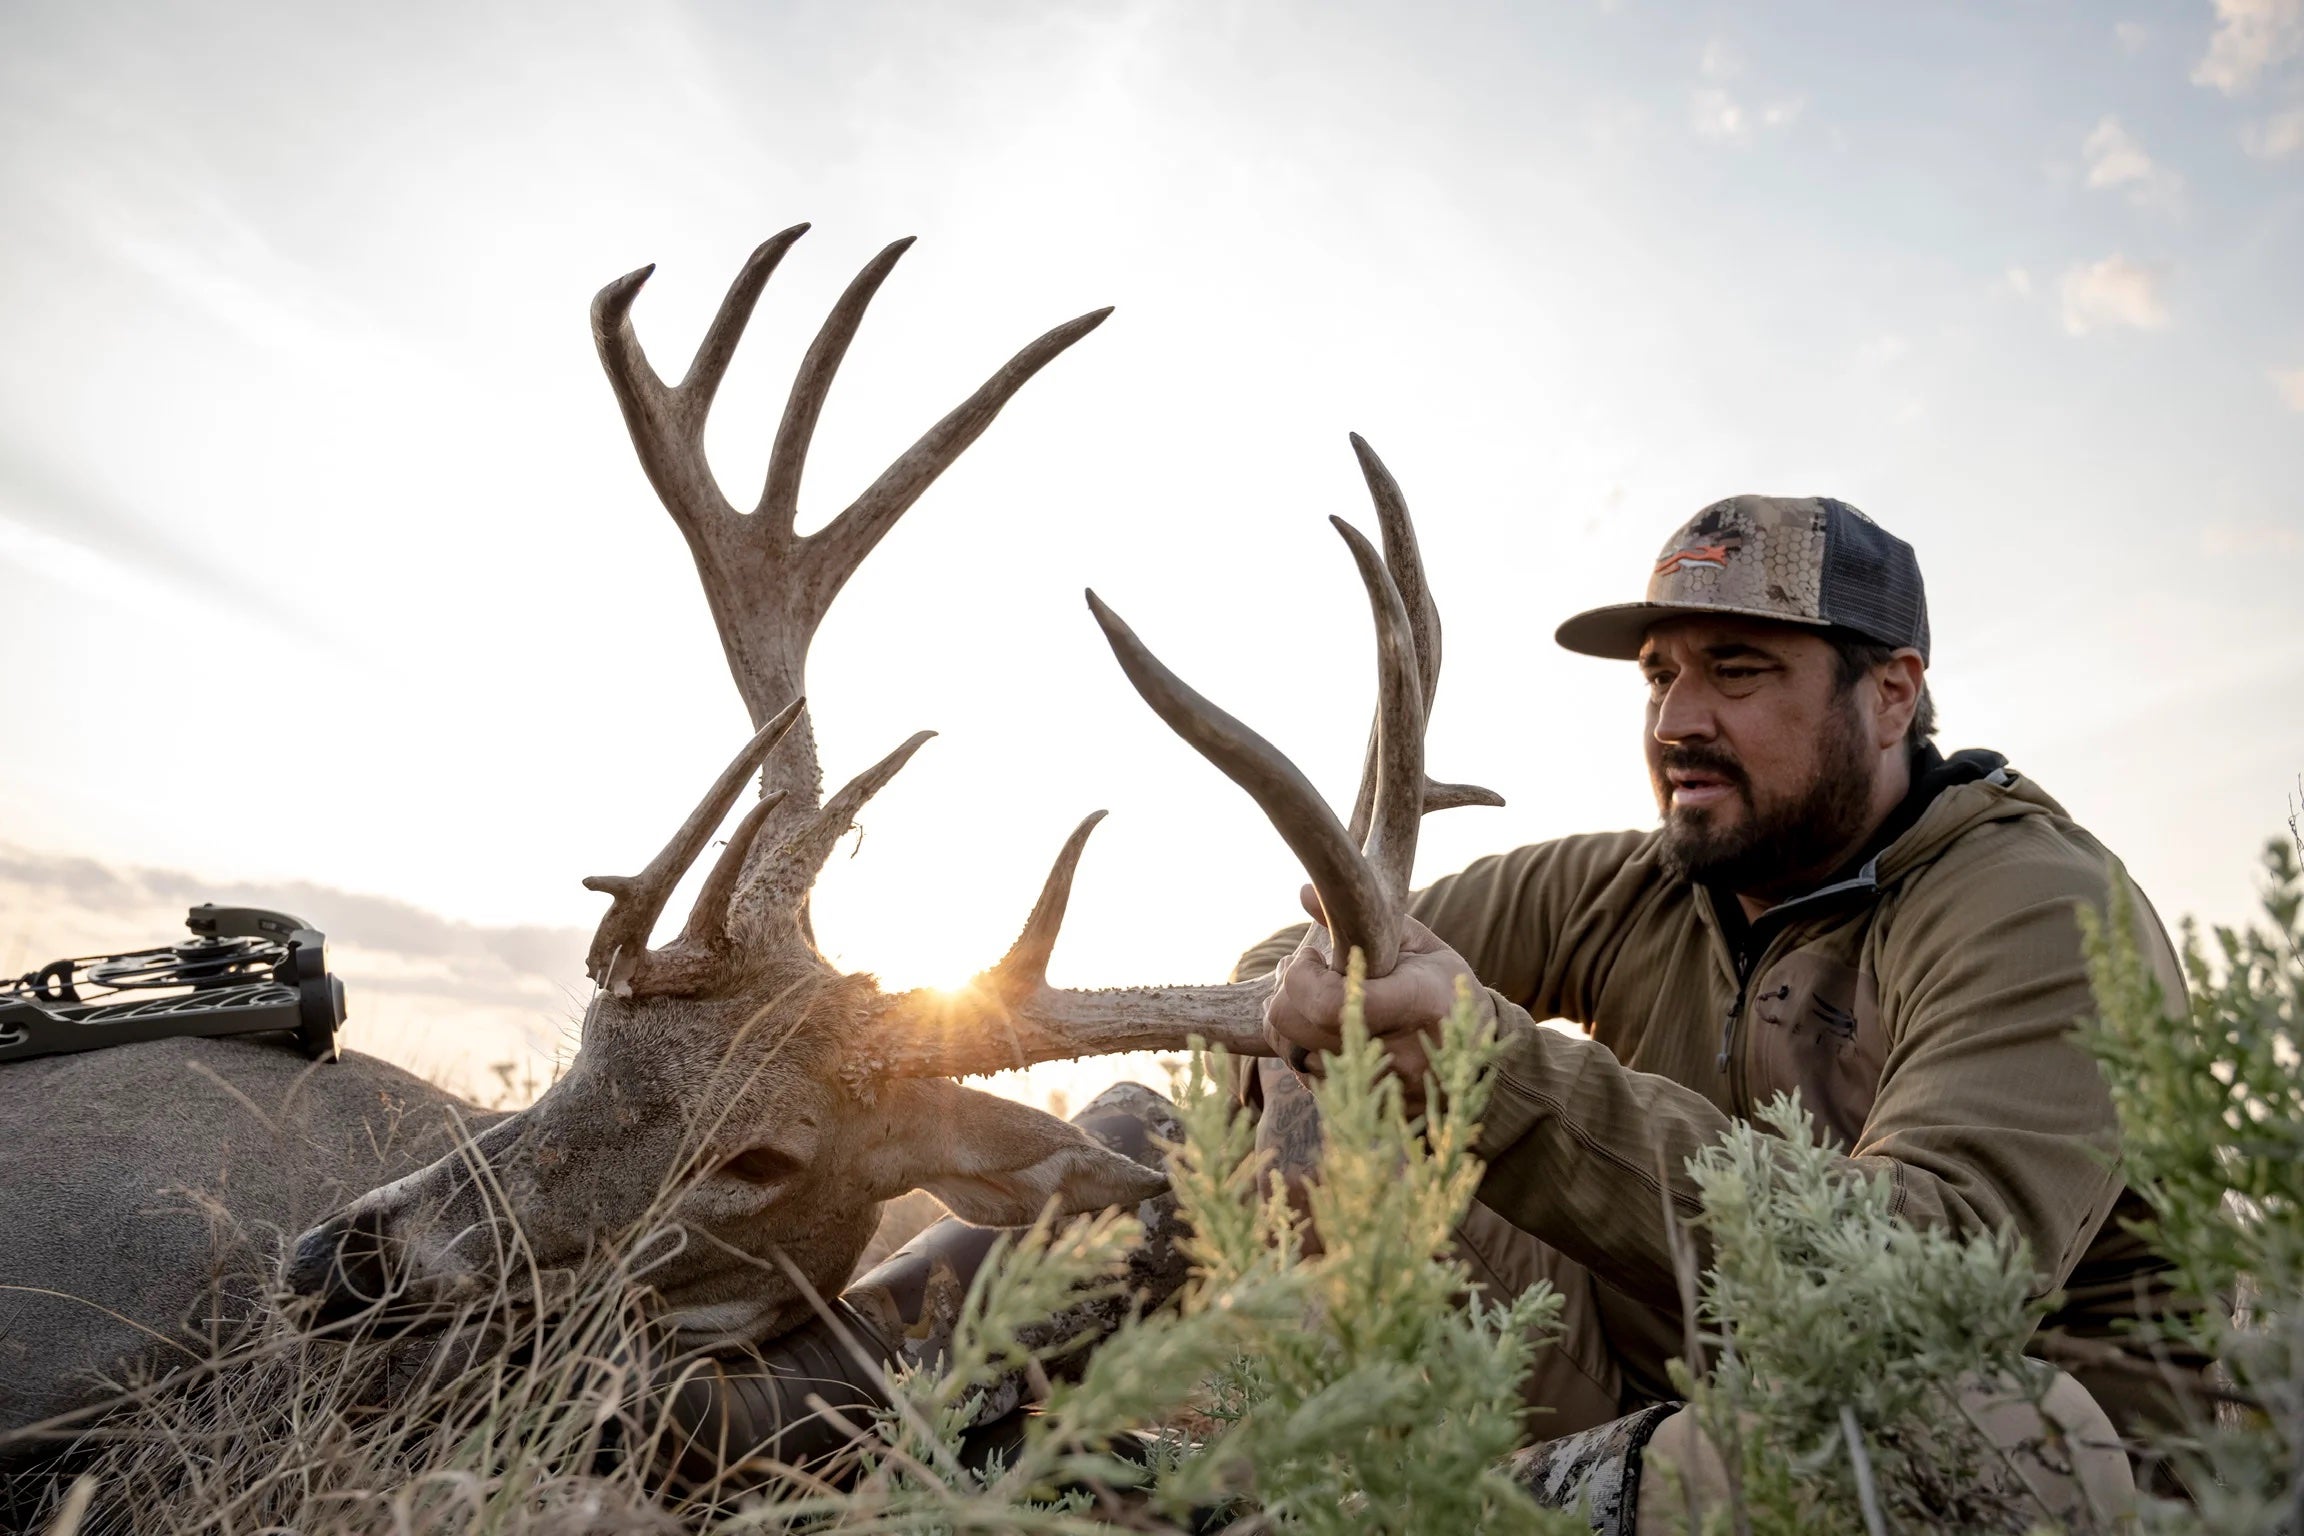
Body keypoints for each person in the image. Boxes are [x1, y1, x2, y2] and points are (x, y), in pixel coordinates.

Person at [1237, 495, 2196, 1462]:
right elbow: (1293, 959)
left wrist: (1488, 1074)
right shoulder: (1635, 882)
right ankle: (1108, 1455)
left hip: (1917, 1462)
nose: (1673, 722)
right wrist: (1314, 1018)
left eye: (1736, 671)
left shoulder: (2044, 911)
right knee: (1229, 1108)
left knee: (1990, 1427)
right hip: (1642, 1415)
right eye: (1660, 676)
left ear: (1892, 696)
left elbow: (1926, 1287)